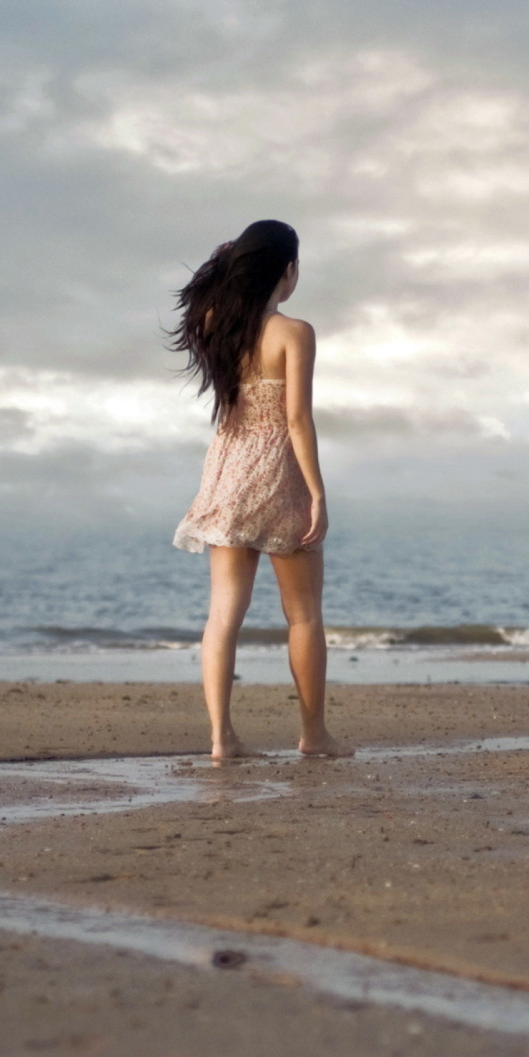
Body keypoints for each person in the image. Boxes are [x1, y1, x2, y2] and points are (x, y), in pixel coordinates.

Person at [170, 220, 353, 762]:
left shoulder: (213, 322)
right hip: (278, 476)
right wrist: (318, 492)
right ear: (288, 270)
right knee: (303, 615)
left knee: (223, 614)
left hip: (227, 472)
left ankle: (221, 738)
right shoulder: (294, 332)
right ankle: (314, 735)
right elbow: (297, 420)